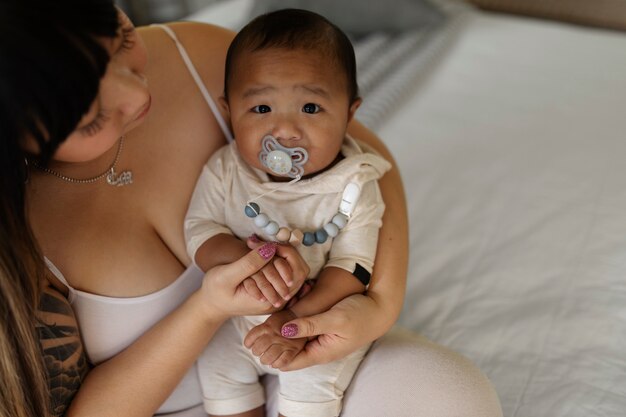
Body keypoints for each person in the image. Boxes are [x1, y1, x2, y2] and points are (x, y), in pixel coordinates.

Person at [0, 1, 503, 417]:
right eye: (94, 118)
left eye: (123, 40)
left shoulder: (196, 55)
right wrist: (209, 307)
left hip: (313, 355)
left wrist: (378, 306)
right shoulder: (18, 233)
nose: (137, 95)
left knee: (449, 398)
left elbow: (364, 161)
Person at [185, 10, 392, 417]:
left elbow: (353, 268)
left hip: (318, 323)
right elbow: (199, 228)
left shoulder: (355, 183)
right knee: (216, 367)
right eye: (261, 108)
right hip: (237, 317)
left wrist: (293, 320)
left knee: (313, 385)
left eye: (311, 108)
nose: (284, 131)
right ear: (229, 111)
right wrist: (246, 262)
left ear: (350, 113)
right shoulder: (226, 169)